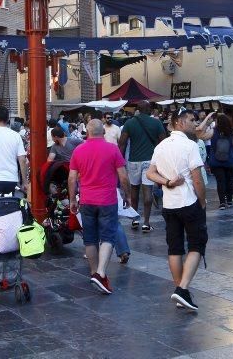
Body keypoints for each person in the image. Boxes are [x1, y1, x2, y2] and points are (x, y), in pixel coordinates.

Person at [146, 109, 207, 311]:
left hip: (170, 204)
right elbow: (197, 179)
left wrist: (167, 182)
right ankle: (182, 288)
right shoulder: (190, 146)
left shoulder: (161, 146)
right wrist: (203, 201)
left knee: (174, 248)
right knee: (197, 245)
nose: (194, 123)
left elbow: (150, 173)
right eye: (191, 120)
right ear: (179, 122)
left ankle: (180, 291)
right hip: (189, 201)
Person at [68, 120, 131, 295]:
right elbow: (123, 177)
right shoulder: (112, 149)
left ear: (86, 132)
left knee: (89, 238)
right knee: (108, 237)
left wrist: (72, 199)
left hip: (87, 200)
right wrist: (127, 195)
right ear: (103, 131)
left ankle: (94, 272)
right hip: (107, 200)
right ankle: (101, 273)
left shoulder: (79, 150)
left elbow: (72, 178)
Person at [118, 101, 166, 233]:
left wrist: (118, 161)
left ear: (137, 110)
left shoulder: (129, 123)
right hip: (150, 161)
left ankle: (135, 219)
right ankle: (146, 222)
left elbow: (122, 143)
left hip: (133, 161)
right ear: (149, 109)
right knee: (148, 191)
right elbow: (163, 143)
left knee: (134, 190)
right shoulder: (156, 123)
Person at [208, 114, 233, 210]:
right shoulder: (232, 133)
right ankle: (230, 201)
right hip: (230, 161)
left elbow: (202, 135)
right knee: (230, 180)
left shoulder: (213, 132)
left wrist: (206, 123)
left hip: (216, 161)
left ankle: (222, 203)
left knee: (220, 181)